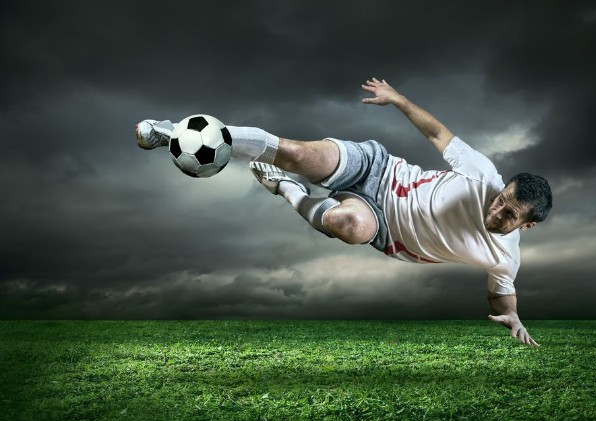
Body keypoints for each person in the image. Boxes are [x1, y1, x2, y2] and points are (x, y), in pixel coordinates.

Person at [136, 78, 552, 347]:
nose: (497, 208)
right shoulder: (483, 174)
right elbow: (438, 133)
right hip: (379, 169)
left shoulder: (505, 257)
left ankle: (285, 188)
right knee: (297, 152)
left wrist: (512, 317)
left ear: (526, 225)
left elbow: (501, 294)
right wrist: (398, 99)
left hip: (384, 225)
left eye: (509, 213)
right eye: (502, 198)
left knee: (347, 225)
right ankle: (173, 132)